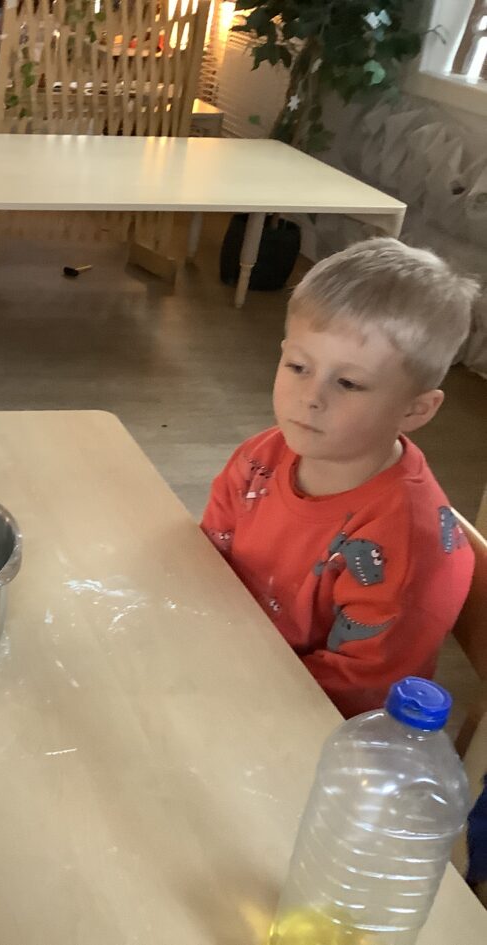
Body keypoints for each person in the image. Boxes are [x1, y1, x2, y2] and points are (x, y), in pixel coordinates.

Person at [201, 238, 479, 718]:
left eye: (348, 383)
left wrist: (218, 683)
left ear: (415, 410)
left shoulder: (405, 545)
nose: (310, 397)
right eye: (298, 366)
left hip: (299, 720)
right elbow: (205, 560)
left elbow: (354, 691)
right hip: (225, 660)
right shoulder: (261, 457)